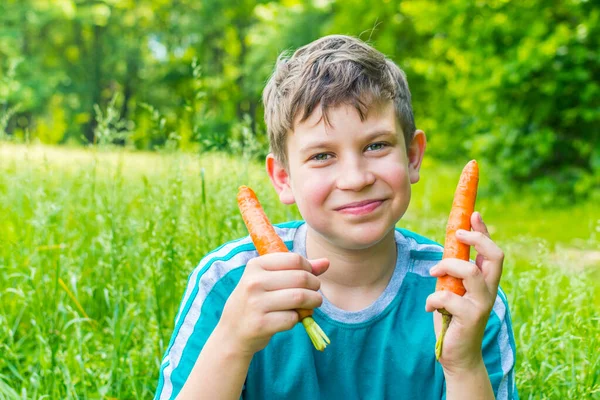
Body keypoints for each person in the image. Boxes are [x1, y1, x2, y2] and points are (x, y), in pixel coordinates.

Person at [154, 34, 518, 400]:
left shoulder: (464, 297)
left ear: (412, 155)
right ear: (284, 179)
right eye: (322, 156)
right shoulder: (228, 284)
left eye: (376, 146)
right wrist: (231, 341)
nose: (356, 178)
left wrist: (463, 363)